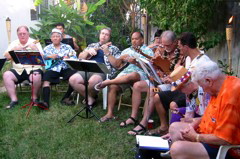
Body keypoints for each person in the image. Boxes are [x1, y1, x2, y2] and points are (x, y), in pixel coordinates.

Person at [169, 60, 240, 159]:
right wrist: (194, 124)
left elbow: (224, 139)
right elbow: (209, 117)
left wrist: (196, 137)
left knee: (177, 148)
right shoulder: (219, 87)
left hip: (225, 148)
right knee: (175, 128)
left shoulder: (230, 96)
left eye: (202, 86)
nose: (203, 90)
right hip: (209, 135)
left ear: (209, 81)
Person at [127, 30, 185, 135]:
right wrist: (155, 73)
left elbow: (182, 74)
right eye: (163, 45)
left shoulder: (182, 53)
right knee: (137, 86)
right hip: (158, 80)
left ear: (175, 42)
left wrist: (169, 77)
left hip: (171, 86)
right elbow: (155, 65)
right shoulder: (161, 48)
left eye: (168, 45)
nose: (165, 48)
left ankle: (144, 122)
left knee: (152, 90)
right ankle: (133, 117)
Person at [96, 32, 154, 122]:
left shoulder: (147, 51)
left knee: (133, 75)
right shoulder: (127, 50)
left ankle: (108, 81)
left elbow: (150, 68)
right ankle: (109, 114)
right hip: (126, 73)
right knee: (113, 86)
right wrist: (121, 58)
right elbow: (117, 65)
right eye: (132, 39)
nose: (134, 41)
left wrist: (136, 63)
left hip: (140, 74)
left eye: (136, 39)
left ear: (142, 40)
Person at [69, 28, 121, 107]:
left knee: (93, 81)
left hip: (102, 70)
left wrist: (107, 53)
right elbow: (80, 58)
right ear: (99, 35)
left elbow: (117, 65)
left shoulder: (114, 49)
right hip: (87, 68)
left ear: (109, 37)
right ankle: (90, 98)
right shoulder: (92, 45)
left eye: (106, 34)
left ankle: (90, 97)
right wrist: (87, 51)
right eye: (102, 33)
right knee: (73, 80)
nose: (104, 36)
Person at [3, 26, 43, 109]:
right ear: (17, 35)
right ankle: (14, 100)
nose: (22, 35)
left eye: (24, 33)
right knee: (6, 75)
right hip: (18, 69)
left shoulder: (34, 42)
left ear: (28, 34)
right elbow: (6, 57)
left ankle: (34, 98)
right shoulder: (14, 43)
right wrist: (13, 49)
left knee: (36, 76)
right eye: (20, 34)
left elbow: (42, 57)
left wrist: (35, 48)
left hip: (33, 68)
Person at [41, 28, 77, 108]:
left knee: (75, 76)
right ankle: (45, 103)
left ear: (61, 38)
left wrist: (68, 58)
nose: (55, 38)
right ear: (51, 38)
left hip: (65, 68)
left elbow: (74, 56)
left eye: (57, 36)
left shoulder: (67, 47)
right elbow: (42, 58)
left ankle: (66, 98)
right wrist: (50, 56)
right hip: (53, 68)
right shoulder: (47, 48)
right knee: (46, 80)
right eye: (53, 36)